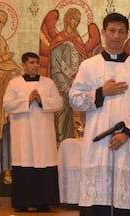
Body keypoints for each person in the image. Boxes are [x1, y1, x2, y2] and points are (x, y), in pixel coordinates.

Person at [69, 13, 130, 216]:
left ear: (127, 34)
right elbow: (74, 98)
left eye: (121, 31)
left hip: (127, 141)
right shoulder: (89, 66)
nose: (116, 36)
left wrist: (127, 132)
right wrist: (102, 92)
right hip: (99, 140)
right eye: (111, 31)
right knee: (99, 188)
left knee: (126, 190)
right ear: (104, 32)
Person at [2, 52, 62, 212]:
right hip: (23, 133)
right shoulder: (15, 83)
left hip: (43, 132)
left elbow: (58, 103)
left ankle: (44, 202)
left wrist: (42, 100)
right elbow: (7, 104)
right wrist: (27, 100)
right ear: (24, 65)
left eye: (37, 62)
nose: (35, 65)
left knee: (44, 161)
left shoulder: (48, 83)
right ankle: (22, 203)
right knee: (25, 162)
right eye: (31, 62)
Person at [39, 7, 102, 143]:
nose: (75, 23)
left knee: (81, 123)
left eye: (78, 20)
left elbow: (84, 65)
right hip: (63, 88)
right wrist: (66, 87)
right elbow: (55, 67)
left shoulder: (78, 41)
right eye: (73, 19)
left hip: (78, 89)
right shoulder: (59, 40)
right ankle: (61, 150)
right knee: (62, 121)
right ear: (67, 19)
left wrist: (80, 84)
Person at [0, 9, 19, 180]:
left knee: (3, 125)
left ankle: (4, 169)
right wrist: (2, 66)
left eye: (3, 23)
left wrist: (10, 66)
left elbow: (4, 61)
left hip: (0, 90)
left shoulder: (0, 40)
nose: (0, 26)